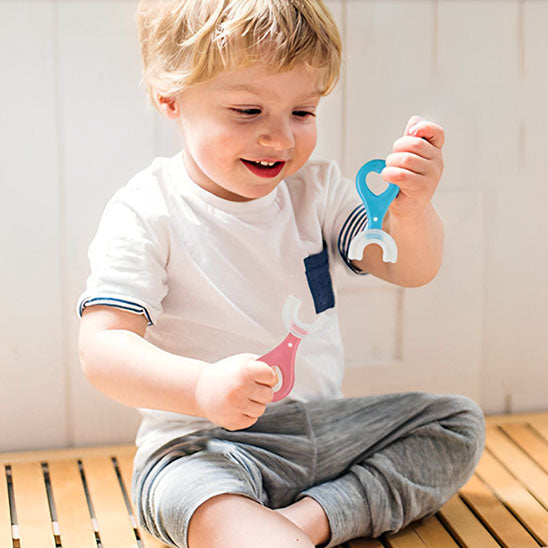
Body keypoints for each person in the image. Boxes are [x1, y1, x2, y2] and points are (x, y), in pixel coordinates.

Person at [77, 1, 485, 547]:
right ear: (170, 99)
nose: (281, 139)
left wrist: (411, 213)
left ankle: (303, 522)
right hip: (207, 444)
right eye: (248, 112)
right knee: (188, 493)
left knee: (456, 422)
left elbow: (411, 268)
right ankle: (290, 521)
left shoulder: (316, 192)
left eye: (303, 112)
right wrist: (201, 388)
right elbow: (102, 352)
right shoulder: (147, 212)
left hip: (325, 428)